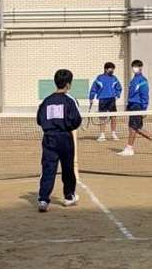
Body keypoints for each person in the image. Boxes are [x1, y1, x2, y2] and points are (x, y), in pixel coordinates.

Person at [37, 69, 82, 213]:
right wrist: (66, 126)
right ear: (68, 84)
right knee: (67, 168)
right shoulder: (70, 100)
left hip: (49, 138)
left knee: (48, 168)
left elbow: (39, 119)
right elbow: (76, 120)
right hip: (64, 138)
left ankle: (43, 199)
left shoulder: (46, 101)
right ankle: (69, 196)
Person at [118, 60, 152, 156]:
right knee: (137, 128)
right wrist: (128, 106)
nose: (134, 68)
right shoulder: (133, 80)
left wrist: (144, 109)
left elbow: (145, 95)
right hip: (132, 106)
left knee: (132, 127)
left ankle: (129, 148)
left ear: (140, 68)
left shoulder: (142, 80)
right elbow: (131, 95)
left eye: (136, 66)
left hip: (137, 106)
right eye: (133, 67)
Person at [89, 62, 122, 141]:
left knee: (113, 117)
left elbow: (119, 88)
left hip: (112, 99)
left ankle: (113, 133)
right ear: (106, 69)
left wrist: (117, 95)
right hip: (102, 100)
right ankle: (102, 135)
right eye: (111, 69)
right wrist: (91, 98)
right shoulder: (99, 78)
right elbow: (94, 88)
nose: (112, 70)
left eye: (113, 69)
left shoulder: (114, 78)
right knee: (102, 117)